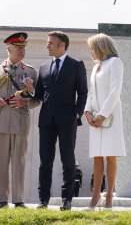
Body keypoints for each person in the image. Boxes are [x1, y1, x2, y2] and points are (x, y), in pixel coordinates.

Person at [0, 32, 40, 209]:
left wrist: (26, 101)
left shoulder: (31, 71)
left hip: (20, 121)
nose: (22, 50)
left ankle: (18, 199)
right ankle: (2, 200)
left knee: (19, 162)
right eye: (18, 47)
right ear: (9, 49)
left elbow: (38, 99)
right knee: (0, 163)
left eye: (24, 47)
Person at [33, 31, 88, 210]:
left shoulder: (76, 65)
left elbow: (83, 92)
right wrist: (30, 89)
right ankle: (43, 200)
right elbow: (39, 95)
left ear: (62, 45)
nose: (47, 46)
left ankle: (67, 200)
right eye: (47, 43)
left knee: (68, 161)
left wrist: (77, 113)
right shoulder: (42, 67)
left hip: (67, 120)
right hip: (46, 120)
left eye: (51, 43)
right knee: (45, 162)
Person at [83, 33, 126, 211]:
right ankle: (96, 195)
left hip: (110, 117)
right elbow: (91, 92)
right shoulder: (96, 68)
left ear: (101, 48)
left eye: (92, 48)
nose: (91, 52)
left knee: (110, 155)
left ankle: (109, 195)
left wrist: (102, 115)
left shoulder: (115, 62)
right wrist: (87, 112)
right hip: (95, 118)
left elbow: (115, 91)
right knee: (97, 156)